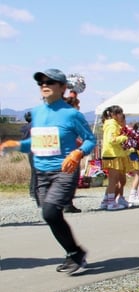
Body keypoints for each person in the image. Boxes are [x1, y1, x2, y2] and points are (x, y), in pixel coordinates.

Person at [0, 68, 96, 275]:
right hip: (41, 173)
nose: (44, 85)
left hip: (64, 171)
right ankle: (75, 253)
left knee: (50, 212)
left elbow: (91, 140)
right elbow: (37, 143)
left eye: (50, 82)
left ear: (62, 87)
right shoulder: (36, 112)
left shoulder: (71, 114)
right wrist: (15, 145)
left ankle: (75, 254)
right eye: (41, 82)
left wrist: (77, 153)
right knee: (51, 215)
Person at [100, 107, 130, 210]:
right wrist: (125, 137)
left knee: (113, 180)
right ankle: (111, 203)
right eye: (120, 113)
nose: (122, 115)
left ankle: (106, 201)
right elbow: (112, 140)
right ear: (114, 115)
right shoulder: (112, 125)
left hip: (113, 154)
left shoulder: (111, 124)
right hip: (112, 155)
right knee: (113, 181)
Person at [20, 111, 37, 201]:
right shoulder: (34, 125)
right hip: (37, 149)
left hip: (30, 150)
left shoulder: (25, 127)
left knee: (34, 171)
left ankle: (32, 192)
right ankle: (34, 193)